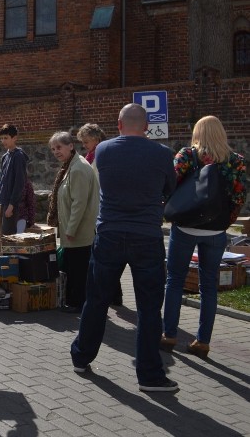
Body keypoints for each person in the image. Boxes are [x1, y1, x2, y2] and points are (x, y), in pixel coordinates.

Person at [70, 103, 178, 392]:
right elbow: (171, 190)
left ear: (118, 125)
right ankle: (150, 375)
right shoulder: (162, 154)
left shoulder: (104, 150)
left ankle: (81, 356)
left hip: (109, 234)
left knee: (96, 299)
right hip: (146, 235)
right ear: (146, 126)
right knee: (149, 308)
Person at [161, 116, 247, 359]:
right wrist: (225, 222)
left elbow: (170, 184)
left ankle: (169, 334)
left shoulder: (187, 155)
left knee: (175, 280)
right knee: (209, 286)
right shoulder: (235, 161)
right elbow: (239, 197)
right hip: (216, 232)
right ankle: (203, 341)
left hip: (185, 228)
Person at [46, 131, 99, 313]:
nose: (56, 152)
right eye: (53, 149)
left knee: (78, 270)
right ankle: (76, 301)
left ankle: (78, 303)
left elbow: (79, 202)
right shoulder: (70, 166)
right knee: (74, 267)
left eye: (59, 147)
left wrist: (71, 228)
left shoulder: (77, 168)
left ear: (70, 146)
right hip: (73, 230)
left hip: (78, 231)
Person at [77, 123, 122, 306]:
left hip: (102, 208)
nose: (85, 145)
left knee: (107, 257)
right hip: (96, 208)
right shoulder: (90, 155)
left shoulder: (103, 154)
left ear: (96, 138)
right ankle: (113, 294)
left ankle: (113, 295)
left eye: (86, 141)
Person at [0, 123, 29, 234]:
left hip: (12, 204)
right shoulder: (5, 157)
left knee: (9, 236)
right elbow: (2, 180)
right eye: (1, 138)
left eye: (6, 138)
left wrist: (12, 205)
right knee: (2, 236)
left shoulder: (18, 156)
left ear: (14, 138)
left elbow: (19, 183)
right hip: (3, 201)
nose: (3, 141)